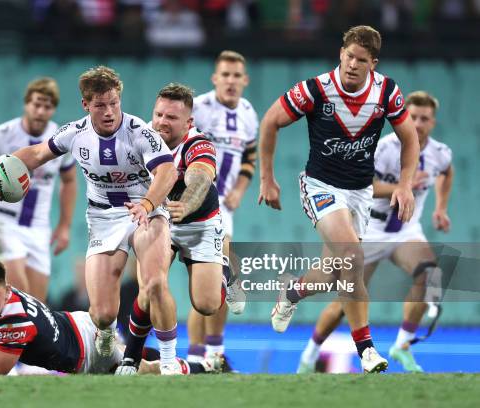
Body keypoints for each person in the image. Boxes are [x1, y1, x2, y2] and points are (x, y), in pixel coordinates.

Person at [0, 66, 181, 374]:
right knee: (101, 313)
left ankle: (169, 364)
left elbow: (168, 171)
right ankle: (105, 335)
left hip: (146, 211)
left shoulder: (140, 132)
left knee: (154, 282)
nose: (110, 111)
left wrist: (149, 202)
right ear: (86, 105)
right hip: (103, 219)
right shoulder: (75, 133)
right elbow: (35, 154)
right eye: (101, 105)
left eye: (114, 102)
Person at [258, 25, 420, 373]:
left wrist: (405, 185)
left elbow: (410, 138)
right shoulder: (315, 89)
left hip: (359, 192)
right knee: (352, 256)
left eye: (361, 60)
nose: (352, 65)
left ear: (372, 64)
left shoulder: (386, 92)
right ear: (340, 54)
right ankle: (367, 350)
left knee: (336, 273)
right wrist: (267, 178)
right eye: (348, 56)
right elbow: (271, 121)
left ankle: (292, 292)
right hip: (320, 186)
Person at [297, 91, 453, 373]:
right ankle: (309, 355)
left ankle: (402, 345)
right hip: (371, 228)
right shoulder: (386, 147)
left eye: (424, 119)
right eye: (413, 117)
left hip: (405, 230)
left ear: (433, 122)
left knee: (431, 274)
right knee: (344, 300)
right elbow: (364, 184)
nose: (417, 124)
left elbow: (447, 171)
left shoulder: (439, 152)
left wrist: (440, 208)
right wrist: (402, 187)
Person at [0, 260, 220, 376]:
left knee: (144, 371)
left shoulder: (14, 322)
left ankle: (202, 365)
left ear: (7, 289)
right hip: (77, 323)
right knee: (138, 360)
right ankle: (149, 299)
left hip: (87, 355)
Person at [115, 83, 227, 374]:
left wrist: (187, 204)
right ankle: (132, 356)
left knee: (206, 305)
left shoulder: (198, 144)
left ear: (188, 122)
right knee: (150, 285)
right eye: (159, 115)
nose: (163, 122)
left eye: (172, 117)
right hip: (160, 220)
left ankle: (225, 273)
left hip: (200, 223)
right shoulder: (141, 139)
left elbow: (200, 178)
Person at [0, 77, 77, 303]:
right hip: (4, 224)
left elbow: (69, 181)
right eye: (36, 104)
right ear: (26, 104)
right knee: (17, 295)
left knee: (36, 304)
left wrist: (64, 226)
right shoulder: (0, 136)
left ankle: (14, 337)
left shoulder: (60, 139)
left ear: (53, 109)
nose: (40, 111)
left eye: (47, 106)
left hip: (39, 227)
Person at [185, 50, 257, 368]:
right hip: (195, 203)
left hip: (225, 205)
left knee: (210, 286)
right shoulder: (198, 109)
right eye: (224, 74)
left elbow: (250, 158)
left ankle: (202, 355)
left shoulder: (248, 114)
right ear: (215, 79)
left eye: (236, 75)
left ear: (245, 80)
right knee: (224, 268)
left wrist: (240, 190)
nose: (230, 80)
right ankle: (209, 352)